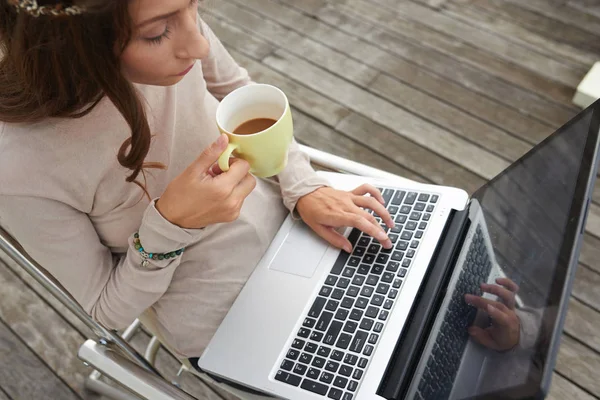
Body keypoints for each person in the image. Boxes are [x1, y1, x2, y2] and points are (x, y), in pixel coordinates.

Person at [0, 0, 395, 365]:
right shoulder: (18, 165)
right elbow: (106, 308)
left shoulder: (168, 15)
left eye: (194, 6)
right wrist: (171, 225)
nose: (201, 45)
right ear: (69, 44)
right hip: (224, 313)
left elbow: (240, 92)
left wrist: (303, 186)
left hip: (299, 223)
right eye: (156, 34)